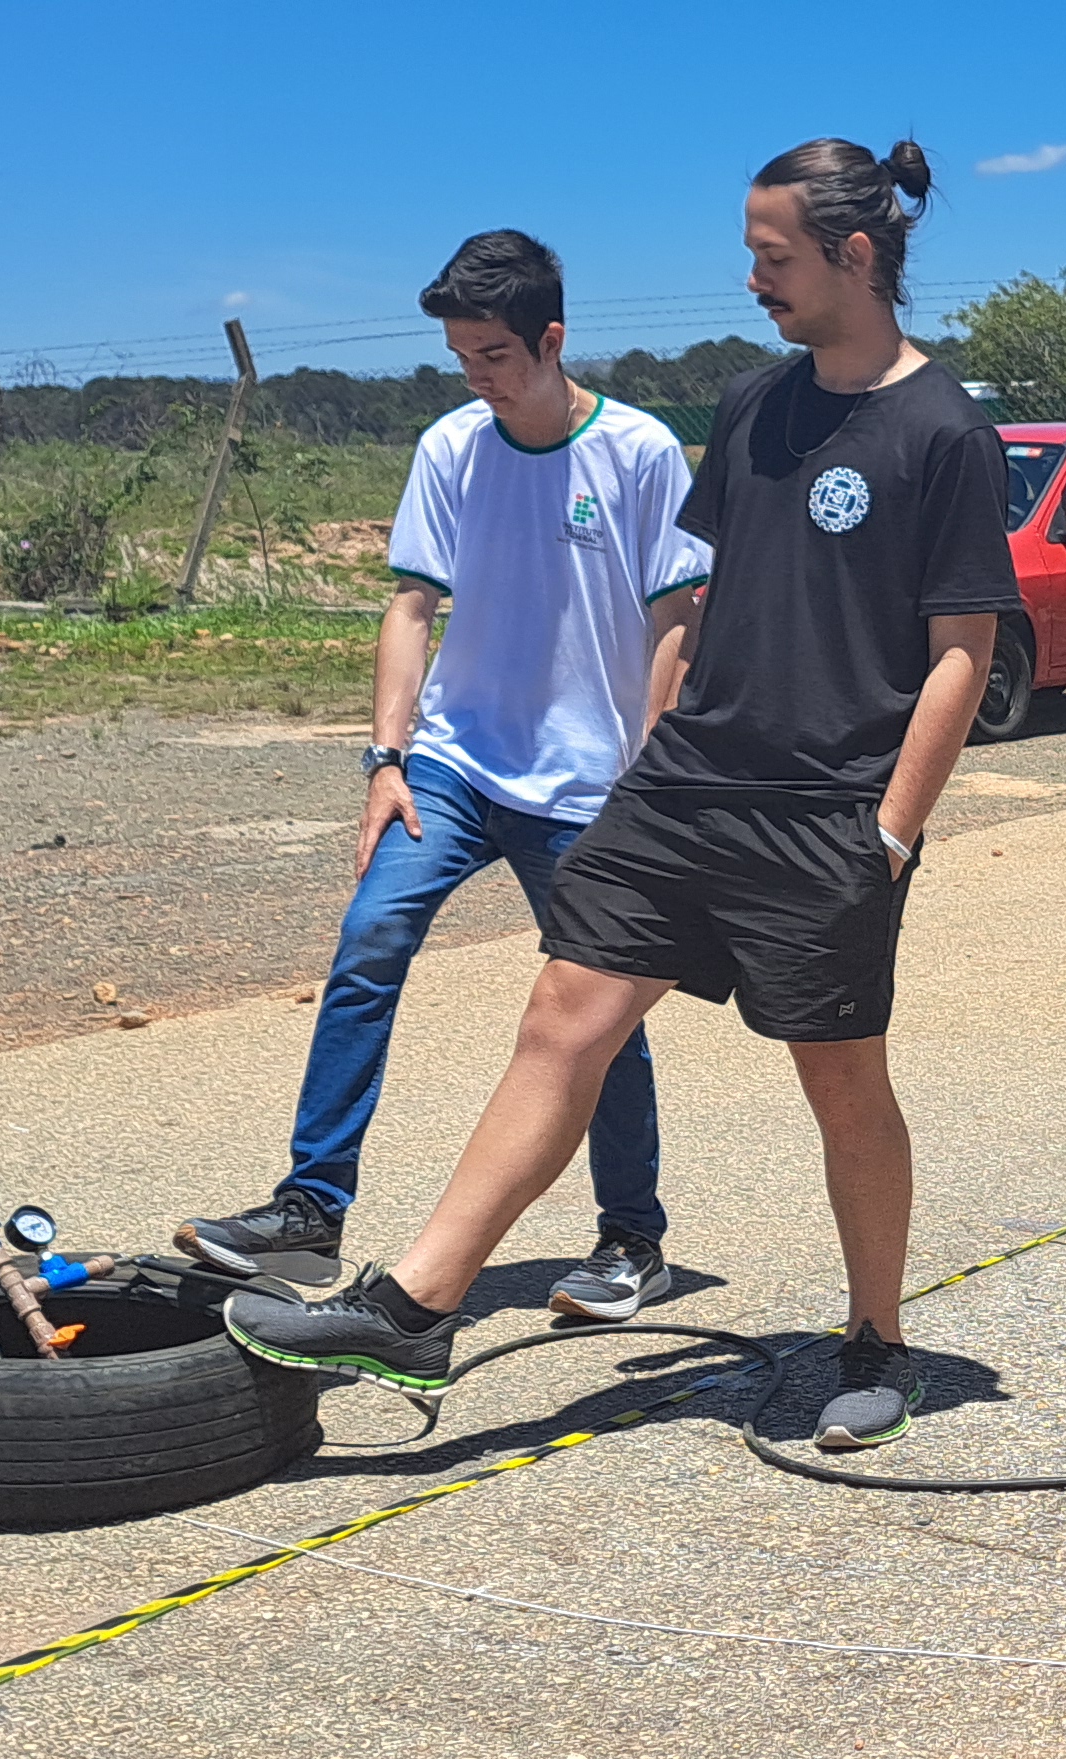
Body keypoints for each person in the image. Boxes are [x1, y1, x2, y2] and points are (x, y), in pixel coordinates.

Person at [224, 137, 1018, 1450]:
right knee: (563, 1017)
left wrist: (888, 833)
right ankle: (415, 1307)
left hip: (825, 812)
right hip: (685, 784)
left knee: (839, 1081)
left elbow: (961, 654)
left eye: (773, 256)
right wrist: (654, 759)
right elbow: (695, 606)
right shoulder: (754, 405)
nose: (752, 278)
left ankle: (876, 1339)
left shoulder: (943, 430)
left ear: (852, 254)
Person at [173, 231, 707, 1326]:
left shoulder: (642, 451)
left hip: (591, 785)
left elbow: (677, 619)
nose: (477, 376)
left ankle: (631, 1240)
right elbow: (411, 607)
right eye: (462, 356)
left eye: (495, 355)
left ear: (552, 339)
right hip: (457, 764)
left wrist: (653, 774)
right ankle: (311, 1210)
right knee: (370, 938)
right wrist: (386, 757)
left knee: (598, 1009)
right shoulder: (451, 446)